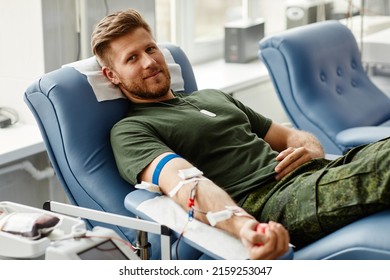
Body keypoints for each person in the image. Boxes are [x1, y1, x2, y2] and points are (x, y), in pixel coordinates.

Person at [91, 9, 390, 260]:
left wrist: (311, 149)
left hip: (318, 171)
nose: (149, 61)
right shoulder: (131, 130)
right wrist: (244, 226)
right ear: (112, 75)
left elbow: (291, 136)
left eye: (150, 49)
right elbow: (185, 183)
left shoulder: (212, 97)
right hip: (272, 201)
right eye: (132, 58)